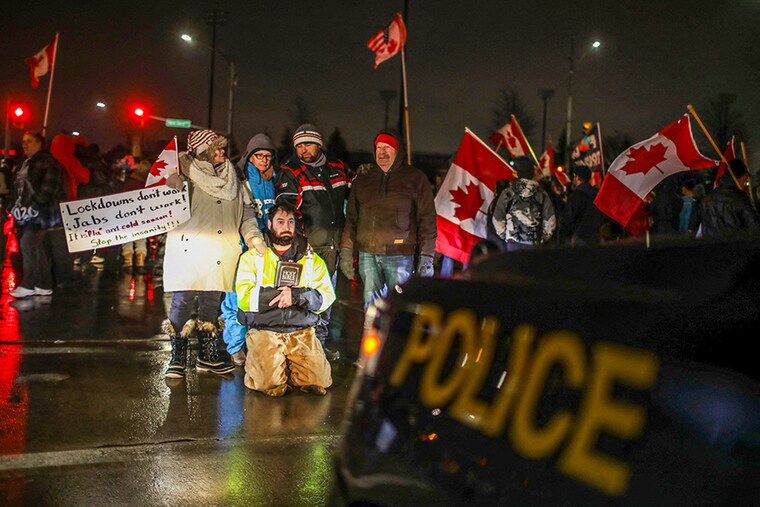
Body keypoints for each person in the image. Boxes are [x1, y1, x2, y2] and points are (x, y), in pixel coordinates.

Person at [162, 130, 266, 379]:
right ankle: (177, 357)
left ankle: (206, 357)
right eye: (215, 149)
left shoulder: (234, 179)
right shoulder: (184, 178)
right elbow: (162, 208)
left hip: (221, 251)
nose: (221, 153)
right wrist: (169, 185)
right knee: (183, 302)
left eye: (222, 148)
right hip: (189, 249)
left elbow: (247, 214)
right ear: (200, 153)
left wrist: (253, 238)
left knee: (211, 302)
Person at [235, 202, 334, 397]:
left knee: (321, 381)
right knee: (266, 383)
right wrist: (281, 296)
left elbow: (327, 297)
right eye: (280, 221)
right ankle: (273, 364)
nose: (286, 226)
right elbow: (244, 298)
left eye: (290, 222)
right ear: (270, 225)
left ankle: (289, 367)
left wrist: (296, 296)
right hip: (266, 329)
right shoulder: (252, 257)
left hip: (301, 329)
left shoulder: (312, 258)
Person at [275, 124, 350, 359]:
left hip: (333, 246)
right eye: (298, 146)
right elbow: (286, 209)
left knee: (326, 298)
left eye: (307, 144)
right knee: (302, 297)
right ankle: (298, 346)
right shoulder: (291, 171)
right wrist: (297, 242)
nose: (302, 150)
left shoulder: (338, 168)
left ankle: (319, 344)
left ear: (319, 145)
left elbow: (356, 193)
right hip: (306, 249)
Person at [339, 129, 437, 308]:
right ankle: (373, 336)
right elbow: (351, 219)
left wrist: (427, 256)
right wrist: (346, 251)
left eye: (387, 147)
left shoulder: (415, 179)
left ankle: (398, 336)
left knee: (400, 307)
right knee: (371, 307)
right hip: (367, 255)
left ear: (397, 150)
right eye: (379, 147)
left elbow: (427, 221)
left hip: (400, 255)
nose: (382, 152)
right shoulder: (364, 180)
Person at [220, 133, 278, 367]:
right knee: (236, 296)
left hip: (266, 246)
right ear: (249, 156)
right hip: (241, 245)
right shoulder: (239, 178)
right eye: (258, 155)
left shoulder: (274, 179)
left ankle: (254, 341)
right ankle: (234, 345)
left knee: (260, 296)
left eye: (267, 155)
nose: (263, 160)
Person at [8, 131, 68, 298]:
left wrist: (33, 207)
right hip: (27, 213)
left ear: (39, 143)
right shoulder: (25, 163)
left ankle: (29, 283)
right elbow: (17, 189)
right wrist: (14, 206)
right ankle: (43, 284)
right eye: (23, 142)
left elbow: (48, 187)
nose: (24, 145)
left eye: (29, 141)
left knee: (28, 243)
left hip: (42, 214)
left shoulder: (47, 163)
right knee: (36, 247)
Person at [491, 156, 556, 251]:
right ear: (532, 173)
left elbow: (498, 217)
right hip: (534, 243)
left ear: (518, 173)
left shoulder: (507, 193)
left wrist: (506, 235)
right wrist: (542, 238)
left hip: (513, 242)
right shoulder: (542, 194)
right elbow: (550, 220)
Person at [700, 159, 760, 238]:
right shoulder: (739, 196)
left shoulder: (708, 197)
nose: (745, 184)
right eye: (746, 180)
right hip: (735, 246)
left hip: (712, 246)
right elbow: (754, 227)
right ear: (743, 176)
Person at [560, 164, 602, 246]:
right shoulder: (597, 193)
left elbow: (569, 217)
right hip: (596, 235)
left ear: (576, 177)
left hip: (580, 237)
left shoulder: (576, 195)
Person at [120, 159, 150, 269]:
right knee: (141, 238)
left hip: (127, 214)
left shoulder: (129, 182)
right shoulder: (146, 183)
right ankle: (140, 262)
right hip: (142, 214)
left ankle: (128, 262)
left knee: (127, 237)